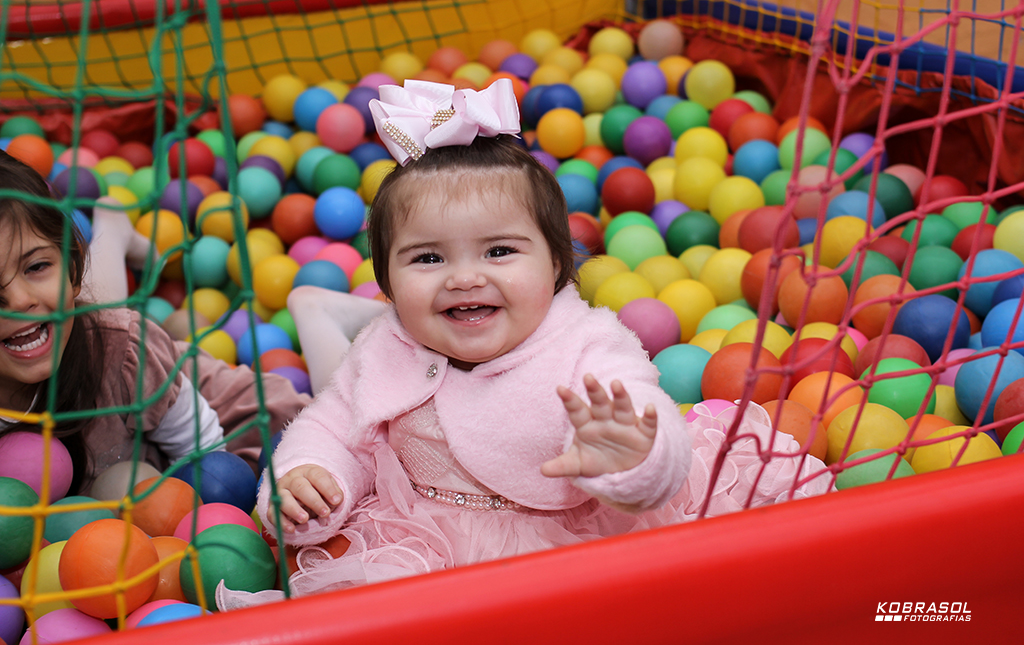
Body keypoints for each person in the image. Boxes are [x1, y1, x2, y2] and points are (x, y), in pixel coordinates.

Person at [219, 79, 830, 610]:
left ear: (557, 265)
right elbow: (333, 424)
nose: (464, 277)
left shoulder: (586, 343)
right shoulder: (388, 344)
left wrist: (628, 454)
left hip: (567, 535)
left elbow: (644, 417)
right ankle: (322, 312)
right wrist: (309, 476)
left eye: (499, 251)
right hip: (422, 540)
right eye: (428, 258)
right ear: (387, 283)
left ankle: (321, 312)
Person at [0, 149, 308, 494]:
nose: (17, 301)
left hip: (220, 415)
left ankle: (317, 309)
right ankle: (112, 229)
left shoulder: (126, 352)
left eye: (36, 266)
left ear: (73, 270)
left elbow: (208, 459)